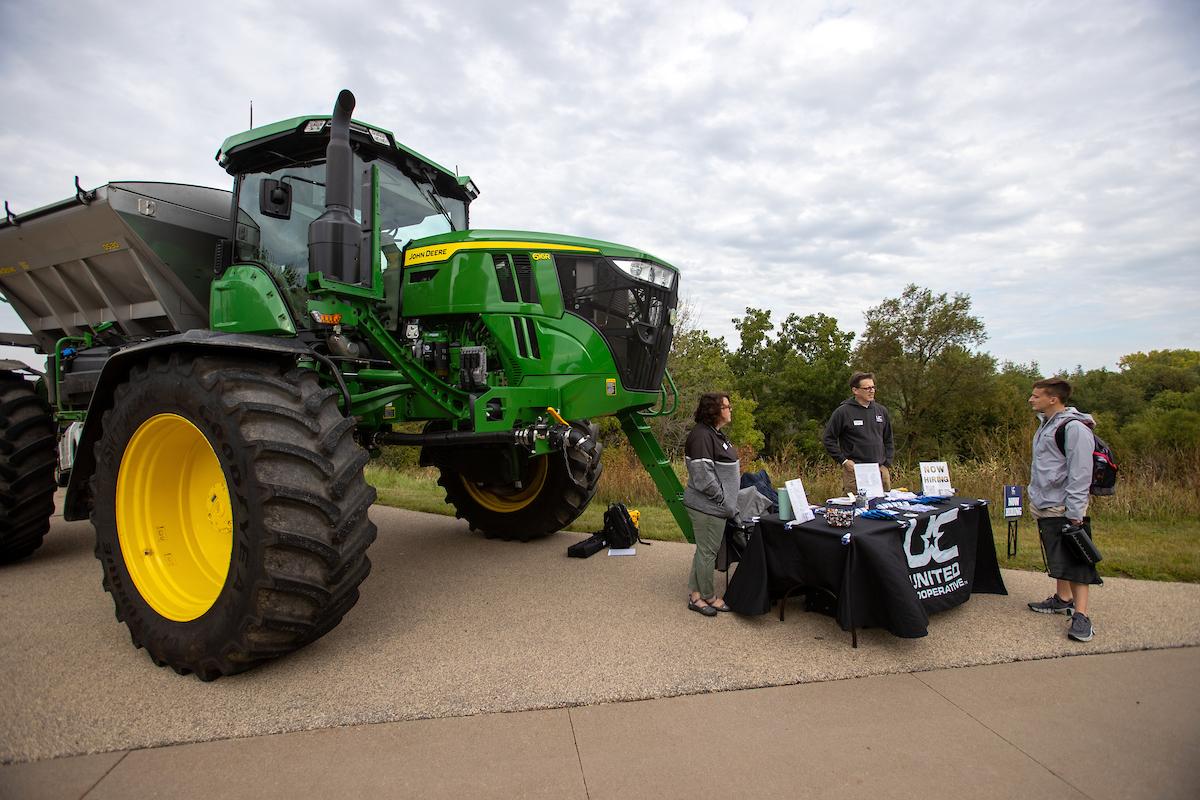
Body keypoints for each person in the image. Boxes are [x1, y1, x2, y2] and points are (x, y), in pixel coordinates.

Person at [1026, 377, 1101, 642]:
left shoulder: (1074, 428)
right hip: (1046, 501)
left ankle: (1081, 615)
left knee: (1076, 558)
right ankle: (1062, 598)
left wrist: (1075, 511)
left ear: (1052, 399)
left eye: (1036, 396)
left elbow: (1080, 472)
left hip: (1064, 505)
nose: (1031, 399)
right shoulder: (1046, 424)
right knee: (1058, 554)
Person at [682, 392, 740, 617]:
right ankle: (707, 596)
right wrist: (723, 500)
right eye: (727, 407)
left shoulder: (714, 434)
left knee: (704, 552)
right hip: (707, 506)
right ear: (714, 411)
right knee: (707, 553)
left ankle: (696, 595)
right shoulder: (701, 436)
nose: (730, 410)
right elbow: (703, 476)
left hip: (714, 506)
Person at [822, 372, 894, 494]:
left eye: (873, 387)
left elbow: (888, 439)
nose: (871, 391)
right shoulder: (843, 412)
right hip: (855, 472)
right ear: (855, 390)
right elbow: (828, 439)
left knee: (884, 508)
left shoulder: (881, 411)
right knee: (856, 509)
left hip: (880, 470)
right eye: (867, 388)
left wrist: (887, 463)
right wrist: (844, 461)